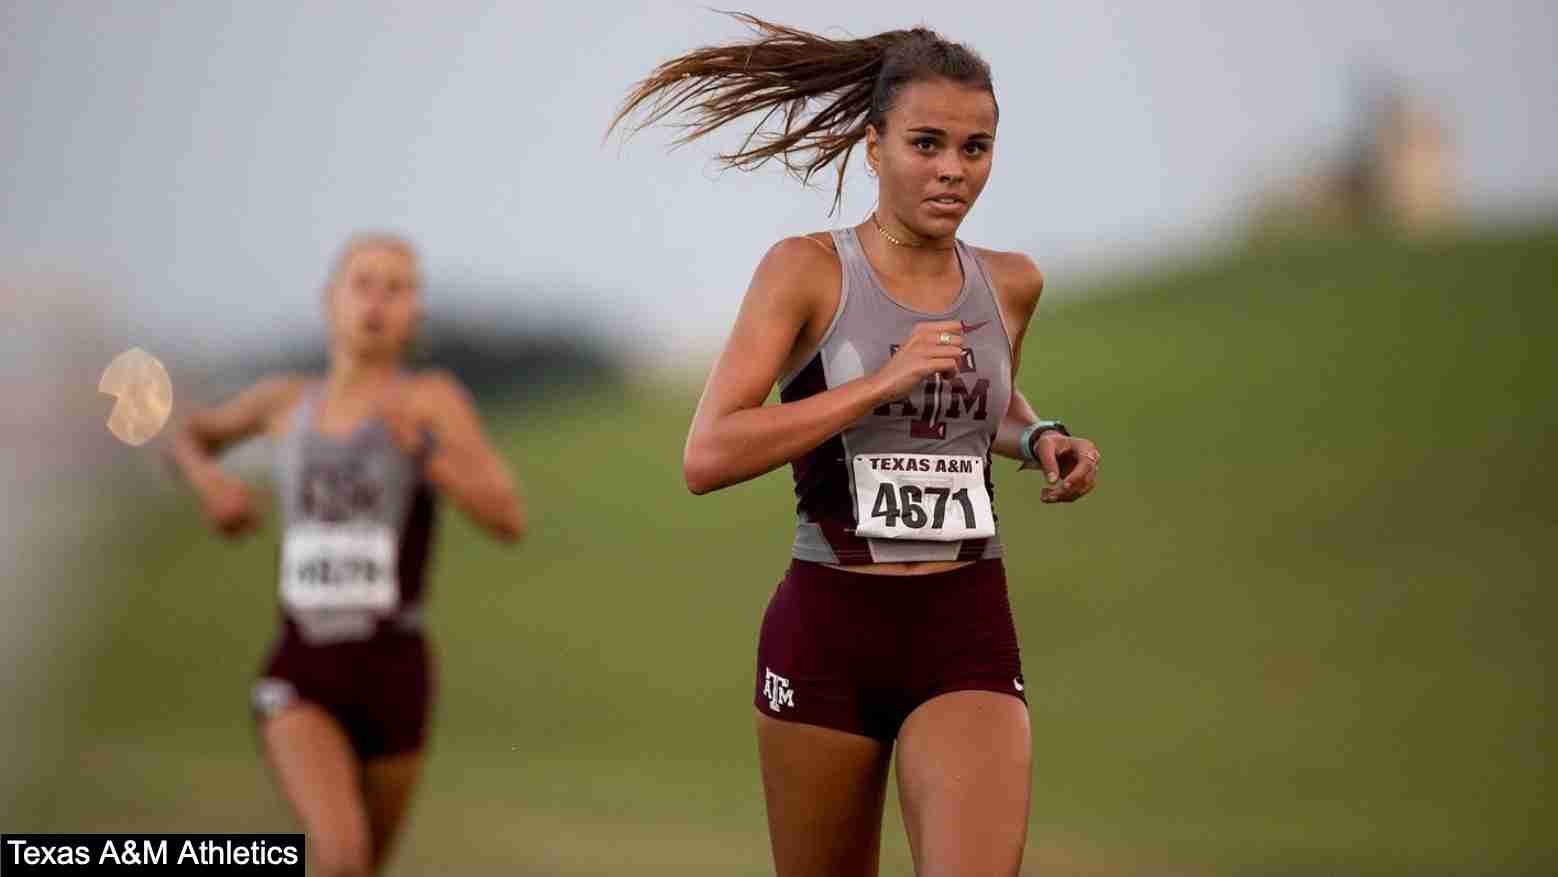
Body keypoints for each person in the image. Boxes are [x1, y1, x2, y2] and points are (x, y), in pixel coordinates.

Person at [611, 15, 1102, 876]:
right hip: (828, 631)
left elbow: (975, 409)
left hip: (965, 627)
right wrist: (878, 382)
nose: (953, 169)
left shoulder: (1011, 283)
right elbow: (708, 453)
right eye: (927, 143)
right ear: (873, 146)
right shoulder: (805, 271)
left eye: (976, 147)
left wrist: (1042, 437)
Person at [165, 233, 525, 877]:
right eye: (364, 283)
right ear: (331, 299)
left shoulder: (430, 400)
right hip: (302, 666)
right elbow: (187, 435)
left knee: (359, 867)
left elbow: (507, 516)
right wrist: (211, 483)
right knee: (339, 854)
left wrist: (425, 453)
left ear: (416, 313)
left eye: (398, 288)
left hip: (396, 671)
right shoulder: (282, 403)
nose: (378, 302)